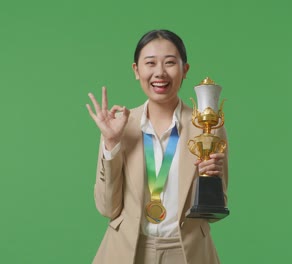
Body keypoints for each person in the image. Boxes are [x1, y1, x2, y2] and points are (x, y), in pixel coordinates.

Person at [86, 29, 229, 264]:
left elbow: (214, 212)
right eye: (150, 63)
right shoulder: (120, 126)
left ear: (185, 70)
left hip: (187, 253)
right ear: (136, 70)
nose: (160, 73)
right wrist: (111, 143)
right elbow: (107, 208)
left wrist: (210, 178)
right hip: (128, 252)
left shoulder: (208, 127)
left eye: (170, 63)